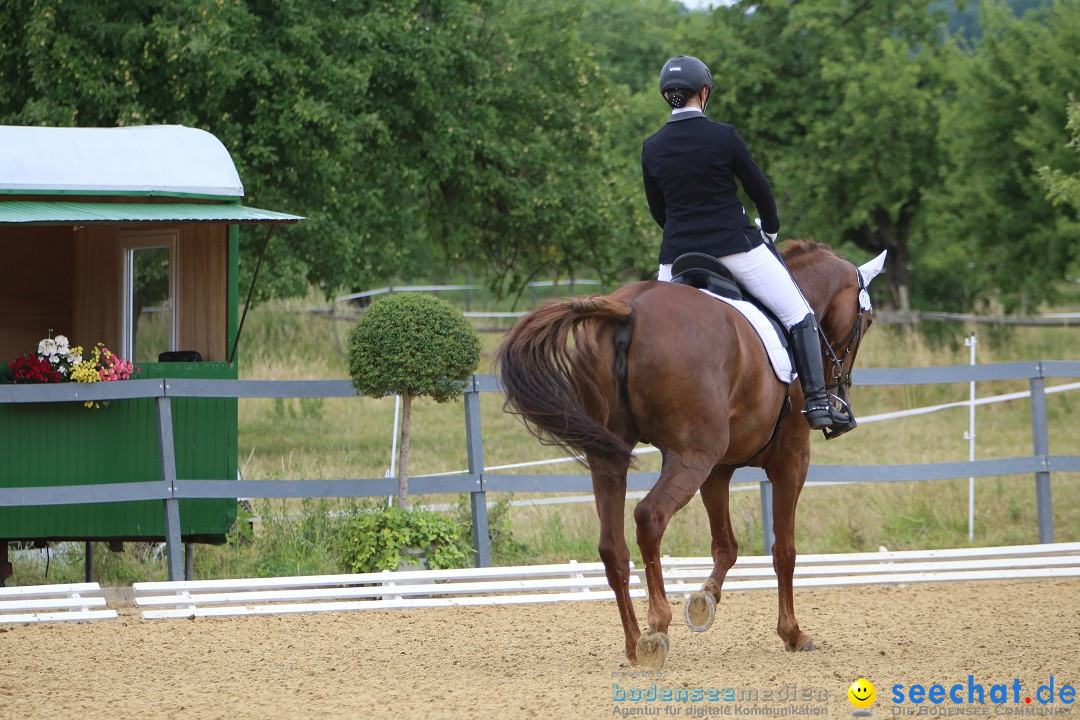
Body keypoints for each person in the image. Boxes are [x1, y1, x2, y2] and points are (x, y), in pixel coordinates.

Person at [641, 54, 850, 431]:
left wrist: (683, 236)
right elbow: (760, 191)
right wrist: (769, 229)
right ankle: (818, 403)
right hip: (736, 249)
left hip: (676, 259)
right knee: (799, 313)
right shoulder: (724, 136)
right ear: (703, 93)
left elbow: (660, 210)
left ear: (666, 96)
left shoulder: (652, 146)